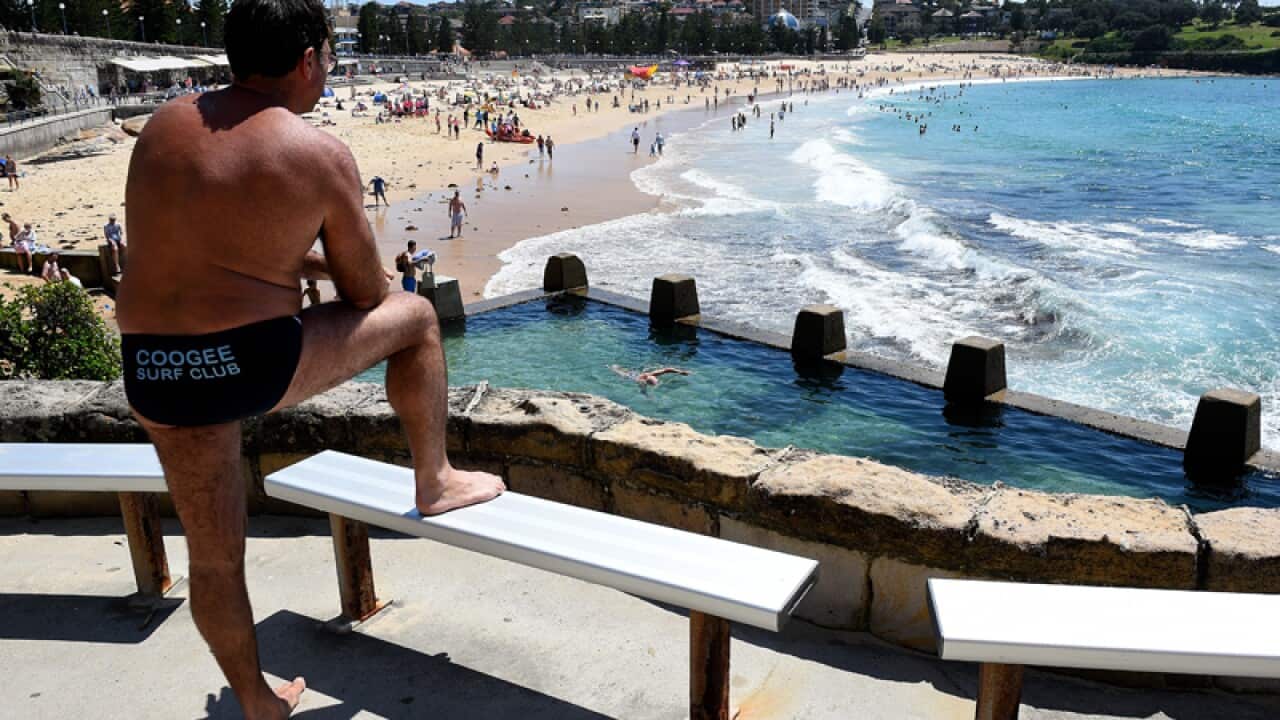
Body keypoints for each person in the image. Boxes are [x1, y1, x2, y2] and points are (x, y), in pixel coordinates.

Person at [115, 3, 504, 717]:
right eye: (327, 58)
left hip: (152, 370)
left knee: (213, 557)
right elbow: (367, 293)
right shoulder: (316, 152)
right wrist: (322, 263)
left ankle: (256, 700)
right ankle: (436, 479)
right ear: (306, 60)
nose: (327, 72)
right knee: (415, 319)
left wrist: (291, 259)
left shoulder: (165, 126)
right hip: (246, 365)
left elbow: (209, 252)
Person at [609, 365, 691, 387]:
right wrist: (648, 397)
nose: (657, 379)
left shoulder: (653, 374)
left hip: (638, 374)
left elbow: (668, 369)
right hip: (632, 377)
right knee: (622, 374)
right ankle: (612, 368)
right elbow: (643, 391)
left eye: (656, 380)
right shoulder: (641, 382)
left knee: (627, 372)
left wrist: (681, 372)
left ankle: (615, 367)